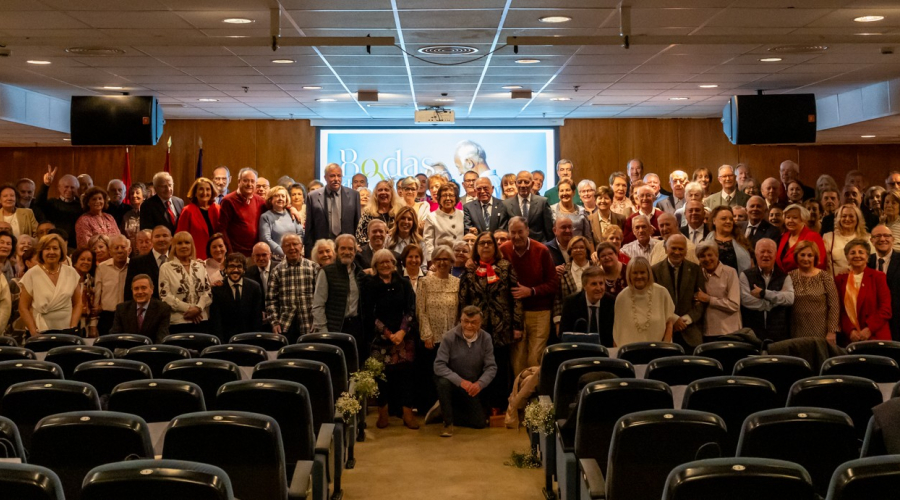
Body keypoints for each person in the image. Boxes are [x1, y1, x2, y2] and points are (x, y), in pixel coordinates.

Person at [458, 231, 521, 410]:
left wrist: (517, 325)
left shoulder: (506, 267)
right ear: (476, 248)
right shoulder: (470, 270)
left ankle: (498, 406)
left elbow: (516, 298)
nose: (486, 246)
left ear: (495, 247)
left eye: (489, 243)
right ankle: (481, 406)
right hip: (477, 329)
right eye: (482, 243)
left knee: (500, 367)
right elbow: (463, 300)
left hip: (502, 326)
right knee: (478, 368)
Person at [362, 248, 418, 429]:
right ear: (375, 266)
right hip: (380, 339)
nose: (386, 265)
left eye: (389, 261)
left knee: (406, 377)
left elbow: (411, 309)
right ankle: (383, 414)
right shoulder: (370, 285)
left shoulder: (404, 283)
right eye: (381, 262)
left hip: (404, 338)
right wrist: (387, 333)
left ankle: (407, 414)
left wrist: (402, 332)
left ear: (394, 264)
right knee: (382, 378)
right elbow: (369, 314)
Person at [500, 217, 557, 377]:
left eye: (520, 232)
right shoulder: (504, 250)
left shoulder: (541, 250)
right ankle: (519, 398)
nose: (517, 236)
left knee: (535, 358)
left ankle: (534, 398)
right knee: (517, 361)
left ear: (527, 231)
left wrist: (531, 291)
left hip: (539, 312)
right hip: (514, 315)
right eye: (513, 233)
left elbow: (553, 283)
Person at [433, 306, 497, 436]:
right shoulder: (448, 337)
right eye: (465, 321)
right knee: (442, 382)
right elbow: (439, 365)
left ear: (480, 323)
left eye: (473, 322)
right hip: (452, 382)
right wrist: (460, 381)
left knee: (480, 423)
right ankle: (448, 423)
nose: (469, 325)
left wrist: (480, 384)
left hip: (472, 385)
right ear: (460, 321)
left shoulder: (486, 339)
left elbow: (491, 367)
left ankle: (443, 412)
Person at [416, 245, 460, 413]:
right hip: (431, 339)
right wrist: (427, 335)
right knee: (430, 375)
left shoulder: (457, 282)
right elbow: (421, 310)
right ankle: (428, 409)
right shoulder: (424, 282)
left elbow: (459, 312)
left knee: (448, 375)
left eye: (446, 259)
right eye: (438, 259)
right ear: (433, 261)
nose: (442, 262)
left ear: (451, 262)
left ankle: (447, 409)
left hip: (450, 338)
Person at [312, 234, 366, 357]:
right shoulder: (327, 272)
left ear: (355, 251)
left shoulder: (360, 273)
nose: (347, 252)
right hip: (335, 328)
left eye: (350, 249)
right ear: (336, 251)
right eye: (343, 248)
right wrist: (324, 333)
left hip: (357, 328)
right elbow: (318, 305)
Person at [18, 234, 81, 336]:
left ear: (61, 251)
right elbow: (23, 307)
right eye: (47, 249)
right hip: (40, 331)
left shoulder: (71, 272)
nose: (51, 252)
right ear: (41, 252)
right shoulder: (31, 274)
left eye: (55, 248)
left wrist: (73, 327)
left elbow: (78, 303)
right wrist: (34, 332)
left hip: (67, 331)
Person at [651, 234, 707, 348]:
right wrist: (673, 320)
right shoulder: (654, 270)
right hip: (663, 332)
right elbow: (653, 302)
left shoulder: (696, 270)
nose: (677, 252)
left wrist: (685, 320)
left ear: (686, 251)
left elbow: (701, 300)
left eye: (681, 249)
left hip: (690, 332)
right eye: (673, 248)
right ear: (666, 249)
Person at [836, 238, 893, 343]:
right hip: (851, 339)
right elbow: (840, 310)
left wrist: (869, 329)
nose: (857, 255)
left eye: (861, 252)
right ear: (847, 258)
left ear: (867, 257)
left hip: (877, 336)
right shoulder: (840, 280)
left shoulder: (878, 277)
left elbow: (886, 309)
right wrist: (850, 330)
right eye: (852, 253)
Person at [740, 238, 795, 342]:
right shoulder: (745, 275)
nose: (766, 255)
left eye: (769, 252)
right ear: (756, 254)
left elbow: (789, 299)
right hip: (752, 333)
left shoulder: (784, 276)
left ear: (775, 254)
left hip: (779, 334)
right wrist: (774, 302)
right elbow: (746, 300)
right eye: (762, 251)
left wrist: (763, 293)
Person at [266, 233, 318, 342]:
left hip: (310, 324)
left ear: (301, 246)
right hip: (285, 325)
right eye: (287, 245)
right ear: (282, 249)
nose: (292, 248)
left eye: (295, 244)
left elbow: (320, 298)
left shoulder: (313, 267)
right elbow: (271, 300)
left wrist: (318, 320)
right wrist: (274, 322)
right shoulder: (277, 271)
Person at [613, 256, 677, 346]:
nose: (639, 276)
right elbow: (617, 331)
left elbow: (669, 323)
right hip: (630, 353)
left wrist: (665, 347)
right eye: (635, 273)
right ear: (629, 275)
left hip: (658, 351)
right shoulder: (622, 297)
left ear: (649, 273)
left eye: (642, 272)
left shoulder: (662, 292)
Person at [158, 231, 212, 335]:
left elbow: (208, 292)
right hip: (178, 322)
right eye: (179, 243)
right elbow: (165, 296)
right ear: (174, 246)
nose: (184, 246)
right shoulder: (166, 267)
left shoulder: (200, 266)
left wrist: (198, 308)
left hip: (202, 321)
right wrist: (189, 309)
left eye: (187, 243)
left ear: (192, 246)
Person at [788, 240, 839, 344]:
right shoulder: (789, 276)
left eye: (810, 255)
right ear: (796, 256)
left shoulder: (824, 277)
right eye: (802, 255)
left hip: (821, 332)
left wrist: (832, 331)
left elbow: (834, 306)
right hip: (796, 331)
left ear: (815, 257)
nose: (806, 258)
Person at [209, 252, 263, 343]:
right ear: (225, 269)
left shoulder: (254, 287)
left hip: (249, 340)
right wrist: (220, 344)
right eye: (231, 266)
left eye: (239, 266)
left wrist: (255, 342)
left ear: (244, 269)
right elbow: (216, 321)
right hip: (225, 341)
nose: (235, 270)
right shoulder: (217, 290)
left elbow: (257, 319)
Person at [694, 241, 741, 338]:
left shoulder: (730, 272)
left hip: (728, 331)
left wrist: (709, 299)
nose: (707, 259)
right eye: (702, 256)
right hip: (706, 332)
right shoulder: (698, 274)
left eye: (710, 255)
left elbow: (734, 305)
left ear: (717, 255)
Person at [558, 265, 614, 346]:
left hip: (605, 351)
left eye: (601, 283)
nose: (599, 288)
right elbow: (563, 335)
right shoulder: (571, 303)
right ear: (584, 286)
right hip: (580, 350)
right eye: (594, 284)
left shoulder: (611, 302)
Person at [218, 168, 265, 256]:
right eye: (246, 181)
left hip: (255, 254)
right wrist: (230, 252)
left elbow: (276, 206)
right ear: (239, 181)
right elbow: (222, 229)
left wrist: (290, 208)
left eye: (252, 181)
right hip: (236, 253)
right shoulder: (228, 201)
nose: (249, 184)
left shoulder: (260, 200)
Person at [110, 274, 171, 342]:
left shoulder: (162, 309)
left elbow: (161, 338)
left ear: (152, 289)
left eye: (143, 288)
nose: (140, 292)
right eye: (136, 289)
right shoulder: (122, 309)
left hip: (152, 350)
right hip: (128, 350)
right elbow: (114, 336)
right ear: (132, 291)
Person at [552, 236, 594, 333]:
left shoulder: (595, 267)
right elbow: (557, 298)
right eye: (575, 248)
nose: (578, 250)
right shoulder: (563, 271)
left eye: (581, 247)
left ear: (587, 250)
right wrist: (558, 322)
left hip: (592, 316)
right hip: (570, 319)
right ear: (570, 251)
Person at [34, 166, 81, 248]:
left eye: (72, 187)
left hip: (74, 246)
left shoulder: (80, 206)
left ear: (77, 189)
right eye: (66, 187)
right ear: (59, 188)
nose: (69, 190)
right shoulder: (52, 203)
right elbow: (38, 203)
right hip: (54, 244)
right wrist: (46, 185)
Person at [92, 234, 130, 336]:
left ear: (129, 250)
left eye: (123, 247)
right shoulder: (102, 267)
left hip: (129, 316)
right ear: (110, 251)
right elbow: (97, 295)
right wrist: (93, 322)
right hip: (107, 316)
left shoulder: (134, 266)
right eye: (116, 247)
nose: (119, 250)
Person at [175, 177, 220, 260]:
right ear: (195, 193)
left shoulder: (217, 209)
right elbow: (180, 236)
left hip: (216, 256)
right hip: (196, 257)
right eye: (201, 189)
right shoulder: (188, 211)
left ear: (212, 192)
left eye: (208, 189)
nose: (205, 192)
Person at [502, 171, 553, 243]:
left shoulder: (542, 202)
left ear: (532, 184)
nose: (522, 185)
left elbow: (549, 230)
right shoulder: (506, 204)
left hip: (538, 247)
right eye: (519, 182)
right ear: (516, 184)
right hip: (516, 246)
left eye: (526, 182)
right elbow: (504, 231)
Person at [259, 185, 305, 264]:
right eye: (277, 196)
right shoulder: (265, 217)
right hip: (276, 259)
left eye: (283, 196)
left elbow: (300, 233)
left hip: (296, 256)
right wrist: (284, 253)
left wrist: (297, 250)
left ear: (286, 199)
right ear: (271, 199)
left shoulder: (292, 214)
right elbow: (266, 239)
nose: (280, 198)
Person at [869, 225, 899, 341]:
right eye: (878, 236)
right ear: (871, 240)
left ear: (893, 239)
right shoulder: (866, 261)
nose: (882, 239)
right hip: (874, 322)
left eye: (886, 235)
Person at [777, 203, 826, 273]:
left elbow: (820, 263)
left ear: (803, 219)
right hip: (783, 281)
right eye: (788, 217)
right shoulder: (783, 237)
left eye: (795, 218)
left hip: (806, 281)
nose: (790, 221)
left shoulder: (813, 236)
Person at [823, 204, 870, 276]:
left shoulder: (866, 238)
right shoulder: (828, 237)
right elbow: (824, 265)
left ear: (857, 219)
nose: (847, 219)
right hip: (835, 282)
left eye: (851, 216)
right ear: (839, 219)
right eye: (844, 216)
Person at [422, 183, 464, 262]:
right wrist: (431, 260)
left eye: (451, 195)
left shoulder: (463, 214)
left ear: (456, 198)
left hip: (460, 259)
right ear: (439, 198)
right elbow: (428, 242)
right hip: (441, 259)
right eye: (444, 195)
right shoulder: (432, 217)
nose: (448, 198)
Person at [706, 206, 752, 274]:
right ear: (714, 221)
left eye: (731, 219)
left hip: (737, 282)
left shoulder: (742, 241)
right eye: (724, 219)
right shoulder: (705, 242)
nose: (728, 221)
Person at [356, 179, 400, 246]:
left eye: (386, 190)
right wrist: (376, 244)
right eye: (380, 190)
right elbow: (360, 236)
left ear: (392, 193)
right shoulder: (368, 213)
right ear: (376, 194)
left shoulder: (399, 212)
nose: (383, 192)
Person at [70, 247, 97, 336]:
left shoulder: (90, 281)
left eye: (89, 260)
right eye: (82, 259)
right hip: (68, 323)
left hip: (86, 325)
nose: (86, 262)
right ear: (75, 261)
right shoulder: (66, 279)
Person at [121, 183, 146, 253]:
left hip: (146, 250)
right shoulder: (126, 216)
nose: (134, 195)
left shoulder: (149, 213)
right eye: (132, 193)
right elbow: (123, 235)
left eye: (137, 193)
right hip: (130, 253)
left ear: (144, 196)